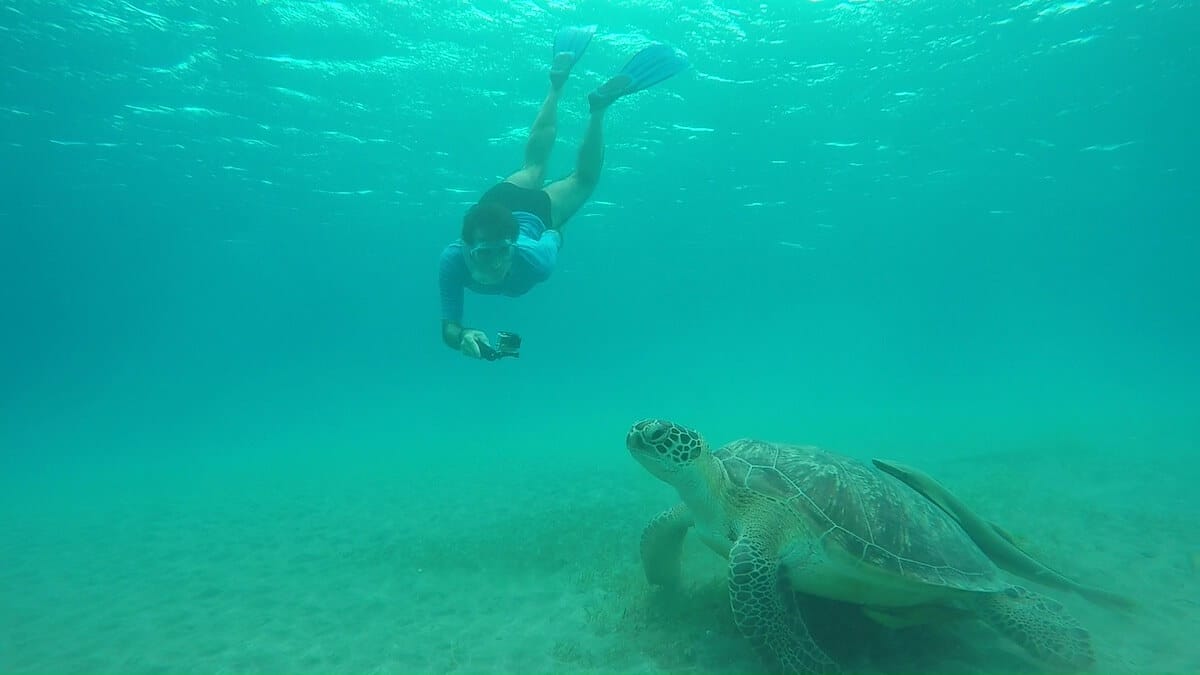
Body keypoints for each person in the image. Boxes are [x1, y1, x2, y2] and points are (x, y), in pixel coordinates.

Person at [438, 26, 688, 360]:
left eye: (503, 251)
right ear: (467, 248)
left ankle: (598, 107)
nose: (497, 262)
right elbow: (450, 328)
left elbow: (554, 233)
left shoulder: (536, 260)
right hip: (495, 203)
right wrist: (463, 337)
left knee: (582, 180)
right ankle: (557, 86)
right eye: (485, 253)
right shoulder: (453, 260)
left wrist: (561, 222)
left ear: (513, 245)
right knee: (534, 165)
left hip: (530, 212)